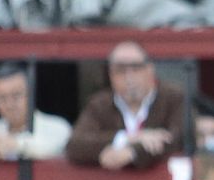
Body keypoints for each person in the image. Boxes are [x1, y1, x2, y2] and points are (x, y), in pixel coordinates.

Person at [66, 41, 188, 169]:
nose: (129, 77)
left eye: (136, 68)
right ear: (111, 75)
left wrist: (132, 153)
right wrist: (127, 138)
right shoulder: (99, 104)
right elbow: (75, 144)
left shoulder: (174, 98)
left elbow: (179, 138)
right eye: (120, 71)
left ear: (150, 69)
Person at [0, 62, 72, 161]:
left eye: (16, 95)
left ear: (31, 93)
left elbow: (51, 146)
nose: (9, 104)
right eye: (2, 98)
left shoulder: (58, 127)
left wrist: (16, 145)